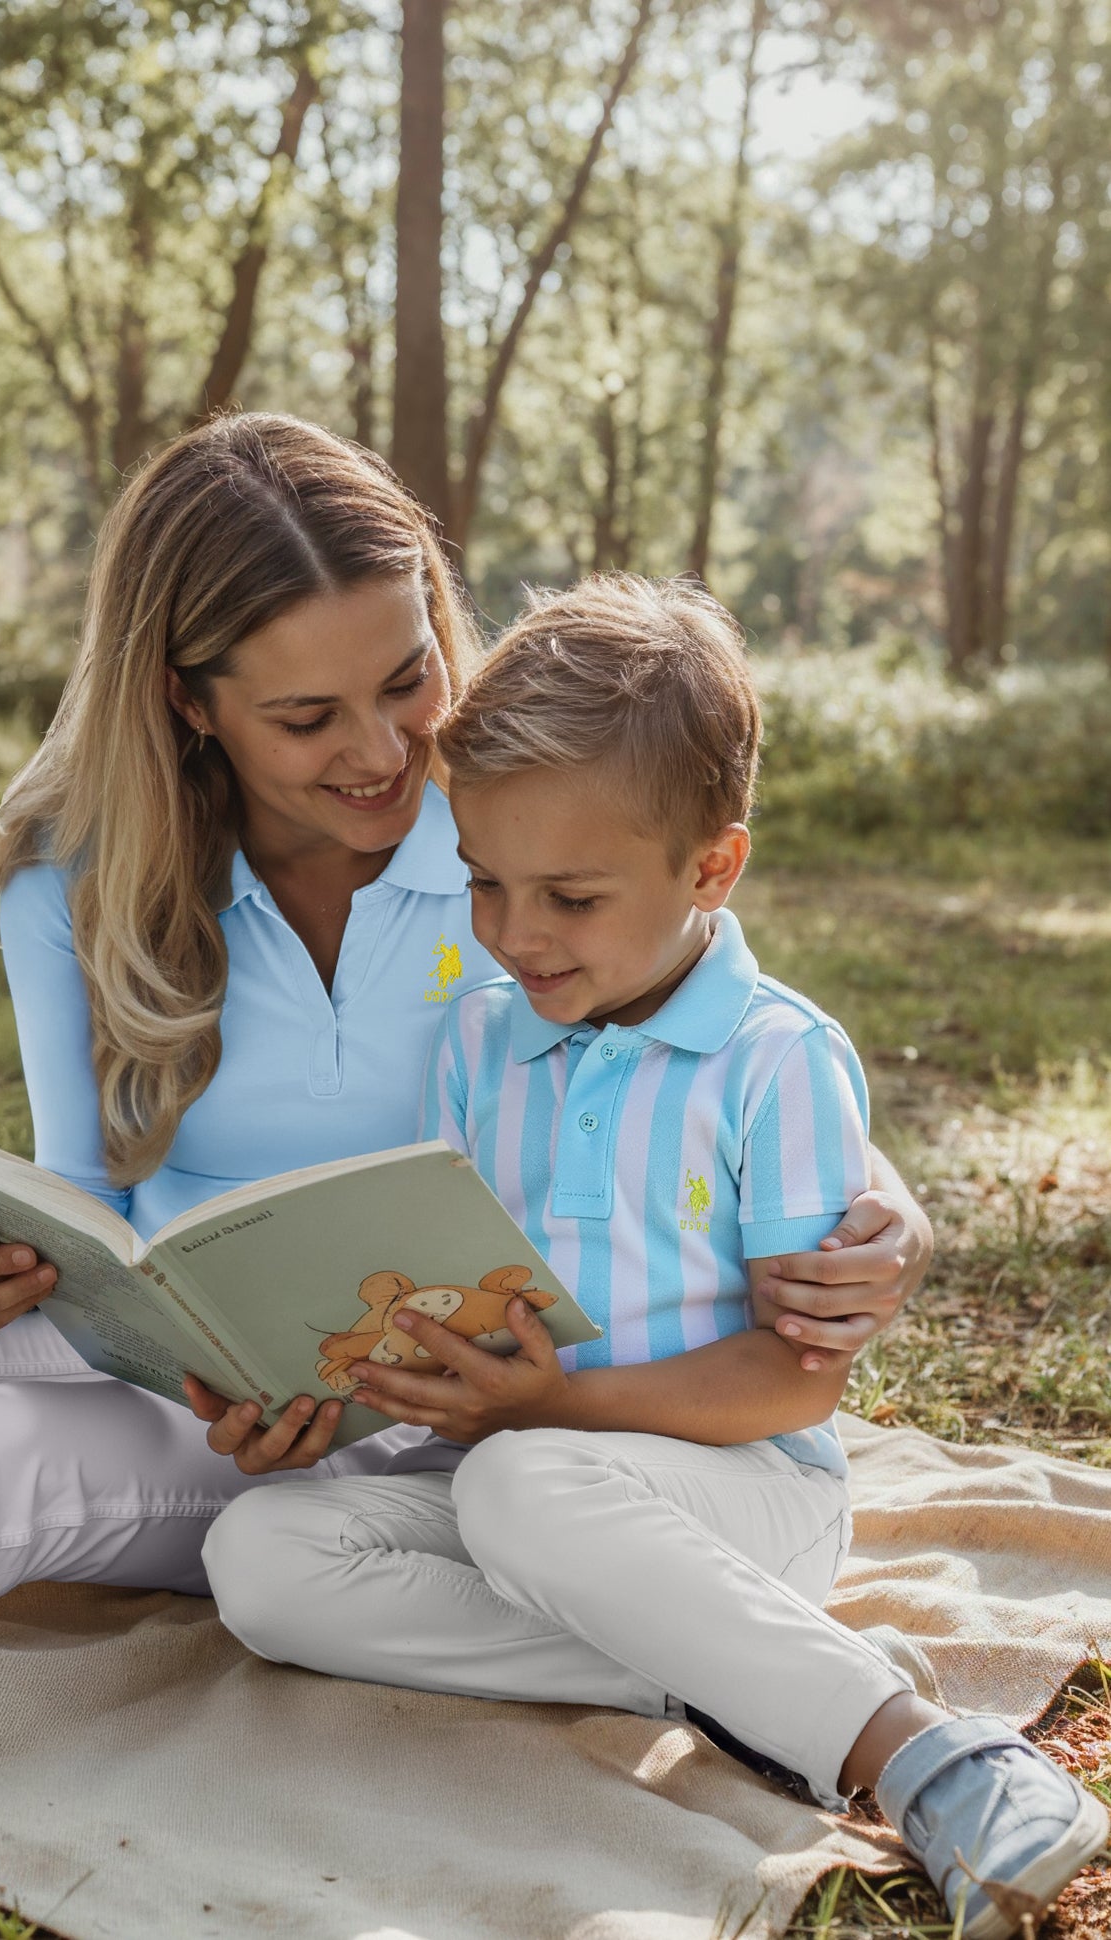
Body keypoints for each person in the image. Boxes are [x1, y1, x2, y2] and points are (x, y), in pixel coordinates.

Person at [0, 418, 928, 1752]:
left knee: (2, 1454)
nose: (382, 752)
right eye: (306, 717)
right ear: (192, 701)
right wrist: (1, 1257)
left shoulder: (506, 831)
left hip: (387, 1413)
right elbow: (81, 1190)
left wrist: (890, 1206)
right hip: (164, 1336)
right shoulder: (71, 872)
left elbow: (705, 1023)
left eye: (406, 679)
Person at [199, 575, 1107, 1940]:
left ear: (711, 869)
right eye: (486, 884)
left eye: (568, 896)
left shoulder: (776, 1060)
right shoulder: (480, 1044)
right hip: (523, 1489)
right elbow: (452, 1292)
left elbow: (791, 1388)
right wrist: (339, 1376)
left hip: (741, 1494)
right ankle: (717, 1669)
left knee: (519, 1484)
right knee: (262, 1560)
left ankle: (925, 1753)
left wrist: (536, 1409)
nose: (513, 937)